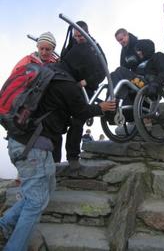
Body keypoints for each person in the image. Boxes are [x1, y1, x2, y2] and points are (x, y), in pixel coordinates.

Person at [0, 50, 116, 251]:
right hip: (32, 148)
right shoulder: (67, 85)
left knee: (47, 188)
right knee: (35, 203)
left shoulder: (46, 72)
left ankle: (4, 226)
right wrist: (102, 107)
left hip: (20, 142)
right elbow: (82, 111)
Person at [60, 21, 107, 169]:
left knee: (77, 119)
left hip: (87, 87)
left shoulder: (94, 47)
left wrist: (86, 82)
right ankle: (54, 158)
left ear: (86, 32)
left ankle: (73, 157)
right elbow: (64, 61)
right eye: (76, 36)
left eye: (80, 35)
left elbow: (103, 70)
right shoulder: (72, 45)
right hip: (70, 85)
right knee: (60, 117)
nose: (78, 38)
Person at [10, 32, 62, 163]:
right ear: (37, 47)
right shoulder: (28, 60)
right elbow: (13, 81)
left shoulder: (56, 64)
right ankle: (22, 173)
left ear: (53, 49)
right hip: (25, 105)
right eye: (41, 48)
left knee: (42, 139)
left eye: (48, 49)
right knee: (22, 136)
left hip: (44, 109)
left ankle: (51, 169)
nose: (44, 52)